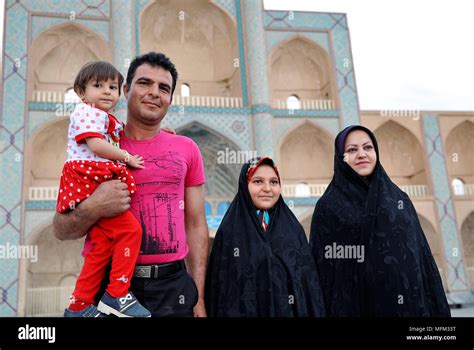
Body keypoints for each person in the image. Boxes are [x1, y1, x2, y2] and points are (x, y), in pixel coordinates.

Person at [54, 52, 209, 317]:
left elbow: (195, 225)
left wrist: (198, 298)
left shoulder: (186, 148)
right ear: (125, 90)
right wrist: (94, 206)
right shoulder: (96, 148)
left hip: (173, 286)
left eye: (164, 88)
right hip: (107, 286)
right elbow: (61, 229)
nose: (154, 93)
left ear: (171, 98)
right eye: (144, 83)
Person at [309, 125, 451, 317]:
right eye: (352, 150)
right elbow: (322, 274)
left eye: (368, 147)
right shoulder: (328, 207)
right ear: (340, 157)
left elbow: (423, 260)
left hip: (409, 307)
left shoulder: (400, 200)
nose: (361, 154)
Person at [58, 61, 150, 317]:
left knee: (100, 246)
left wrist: (157, 131)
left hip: (92, 178)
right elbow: (97, 145)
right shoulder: (87, 112)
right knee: (131, 230)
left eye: (112, 87)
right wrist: (126, 157)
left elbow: (124, 133)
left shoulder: (106, 117)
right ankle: (117, 294)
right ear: (81, 91)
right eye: (98, 86)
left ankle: (78, 306)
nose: (107, 91)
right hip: (89, 180)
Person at [205, 157, 325, 317]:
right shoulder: (229, 233)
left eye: (274, 182)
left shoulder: (293, 231)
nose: (267, 188)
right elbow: (220, 291)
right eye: (258, 181)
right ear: (244, 185)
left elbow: (308, 287)